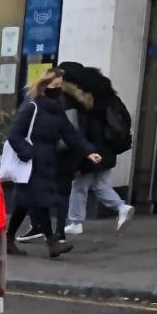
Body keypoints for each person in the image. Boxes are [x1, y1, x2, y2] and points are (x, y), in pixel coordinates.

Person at [6, 70, 102, 258]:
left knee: (25, 203)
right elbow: (14, 134)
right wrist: (27, 152)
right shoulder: (32, 108)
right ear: (44, 86)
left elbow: (71, 134)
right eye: (54, 86)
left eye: (60, 86)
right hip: (31, 165)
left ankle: (9, 239)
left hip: (47, 164)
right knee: (39, 200)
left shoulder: (57, 112)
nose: (58, 90)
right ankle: (52, 242)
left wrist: (89, 151)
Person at [57, 62, 135, 236]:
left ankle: (76, 222)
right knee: (100, 184)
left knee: (80, 185)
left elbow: (81, 130)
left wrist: (78, 156)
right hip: (109, 147)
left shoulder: (81, 101)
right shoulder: (107, 96)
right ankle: (121, 208)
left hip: (92, 150)